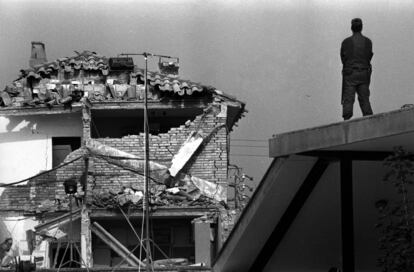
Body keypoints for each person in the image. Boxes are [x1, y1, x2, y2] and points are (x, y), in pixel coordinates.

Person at [340, 18, 373, 120]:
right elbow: (369, 56)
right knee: (364, 99)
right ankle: (369, 120)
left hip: (350, 74)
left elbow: (343, 59)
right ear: (361, 27)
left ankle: (347, 121)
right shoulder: (368, 42)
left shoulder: (346, 42)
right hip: (364, 73)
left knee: (348, 99)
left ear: (352, 28)